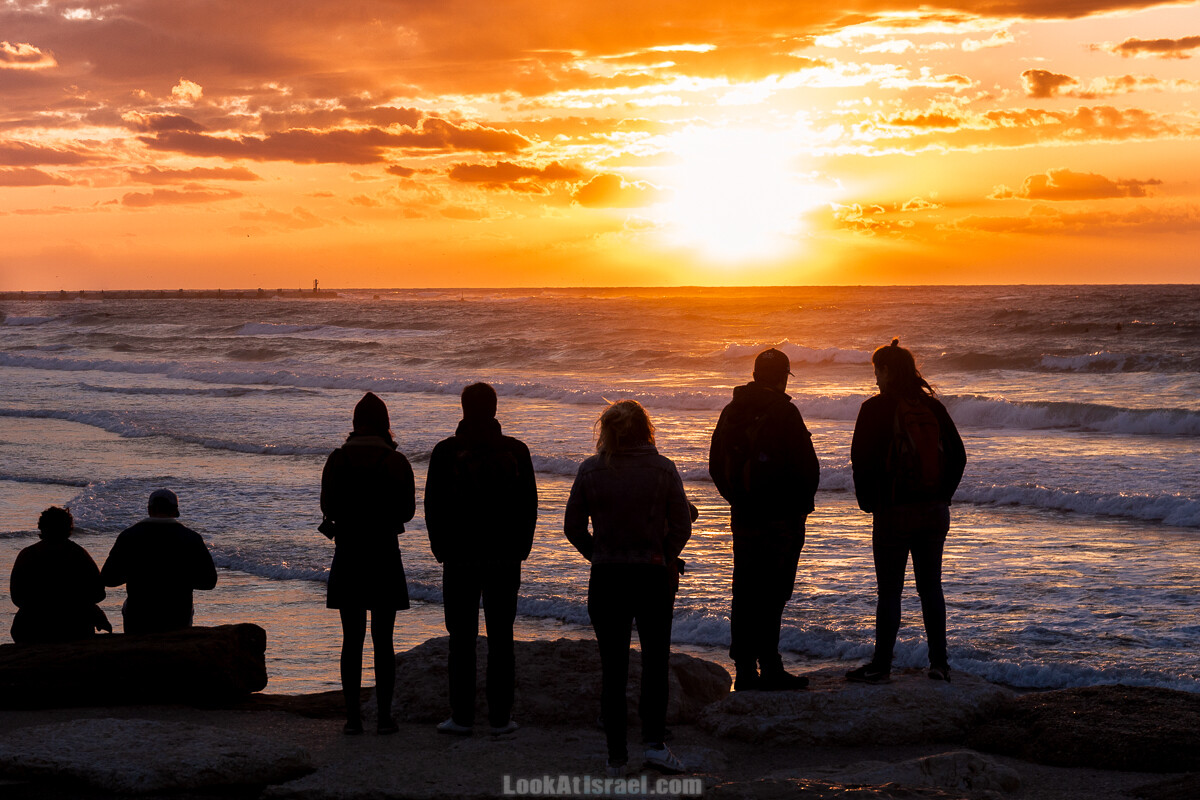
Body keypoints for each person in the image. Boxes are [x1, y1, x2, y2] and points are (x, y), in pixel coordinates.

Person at [565, 400, 692, 776]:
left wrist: (599, 555)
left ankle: (616, 756)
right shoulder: (663, 468)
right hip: (652, 576)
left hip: (607, 578)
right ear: (645, 429)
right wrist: (665, 557)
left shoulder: (590, 470)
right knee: (655, 661)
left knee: (614, 667)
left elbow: (573, 529)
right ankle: (653, 745)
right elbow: (682, 525)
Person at [846, 339, 966, 684]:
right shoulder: (933, 408)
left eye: (877, 371)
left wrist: (869, 502)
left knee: (889, 592)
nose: (875, 378)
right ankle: (939, 664)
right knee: (931, 588)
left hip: (893, 511)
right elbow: (958, 456)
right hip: (933, 511)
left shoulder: (874, 409)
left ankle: (881, 666)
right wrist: (943, 496)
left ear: (886, 371)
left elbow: (861, 462)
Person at [425, 382, 537, 736]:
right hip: (505, 556)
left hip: (459, 556)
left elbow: (433, 506)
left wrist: (440, 548)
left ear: (463, 409)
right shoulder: (516, 451)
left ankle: (461, 717)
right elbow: (529, 505)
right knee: (501, 636)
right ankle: (501, 719)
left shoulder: (446, 451)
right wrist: (522, 548)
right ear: (494, 408)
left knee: (461, 636)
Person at [709, 347, 820, 691]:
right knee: (774, 592)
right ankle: (770, 665)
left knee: (745, 589)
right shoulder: (785, 413)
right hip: (782, 518)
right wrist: (801, 509)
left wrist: (738, 499)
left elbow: (715, 464)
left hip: (744, 515)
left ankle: (744, 670)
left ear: (756, 375)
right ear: (784, 377)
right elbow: (806, 467)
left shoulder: (732, 410)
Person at [320, 391, 416, 735]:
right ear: (386, 423)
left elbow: (326, 506)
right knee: (384, 640)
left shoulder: (338, 459)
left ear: (354, 423)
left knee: (352, 639)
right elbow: (407, 512)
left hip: (348, 552)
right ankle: (385, 717)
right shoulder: (396, 461)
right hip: (384, 552)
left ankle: (352, 719)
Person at [101, 489, 217, 635]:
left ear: (149, 510)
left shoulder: (129, 536)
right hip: (177, 613)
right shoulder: (191, 538)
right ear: (175, 511)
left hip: (140, 613)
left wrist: (137, 574)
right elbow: (209, 582)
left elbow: (108, 578)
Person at [10, 506, 111, 643]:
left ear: (42, 527)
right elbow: (98, 593)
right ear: (68, 528)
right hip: (74, 628)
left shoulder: (27, 555)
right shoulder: (79, 554)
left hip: (31, 628)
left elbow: (16, 597)